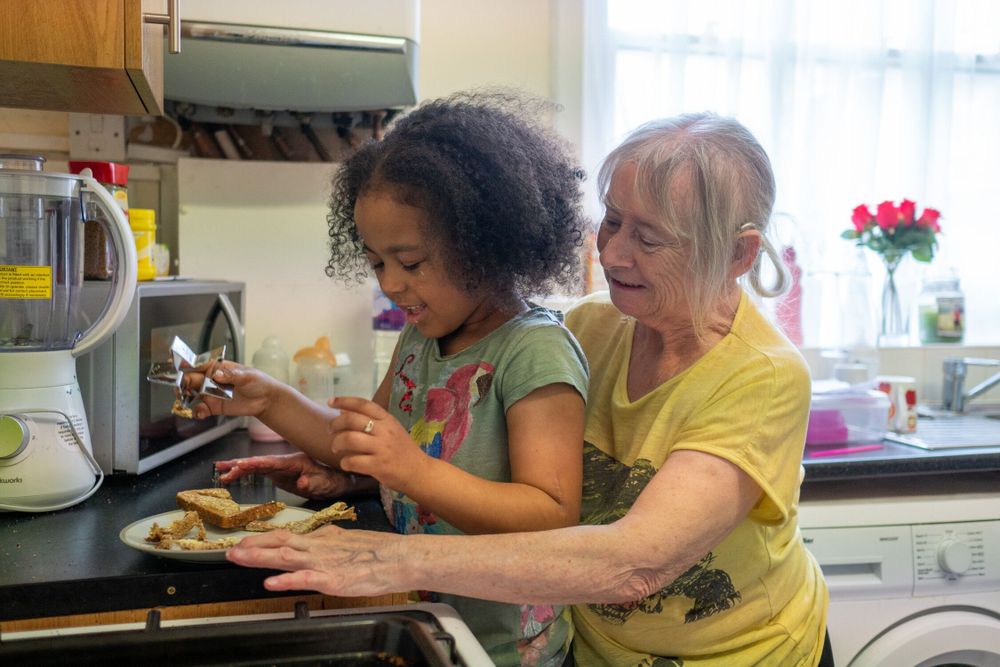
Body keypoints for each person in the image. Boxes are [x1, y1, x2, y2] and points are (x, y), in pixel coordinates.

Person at [225, 112, 832, 665]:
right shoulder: (594, 325)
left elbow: (634, 564)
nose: (614, 253)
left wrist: (387, 558)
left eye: (648, 239)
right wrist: (364, 473)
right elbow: (486, 447)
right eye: (612, 221)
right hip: (595, 651)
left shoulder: (763, 376)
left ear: (737, 253)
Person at [197, 92, 592, 666]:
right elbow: (357, 442)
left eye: (410, 263)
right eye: (378, 262)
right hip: (426, 615)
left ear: (485, 246)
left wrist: (414, 470)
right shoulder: (422, 335)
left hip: (505, 647)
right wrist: (270, 398)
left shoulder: (535, 350)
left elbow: (552, 515)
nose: (391, 284)